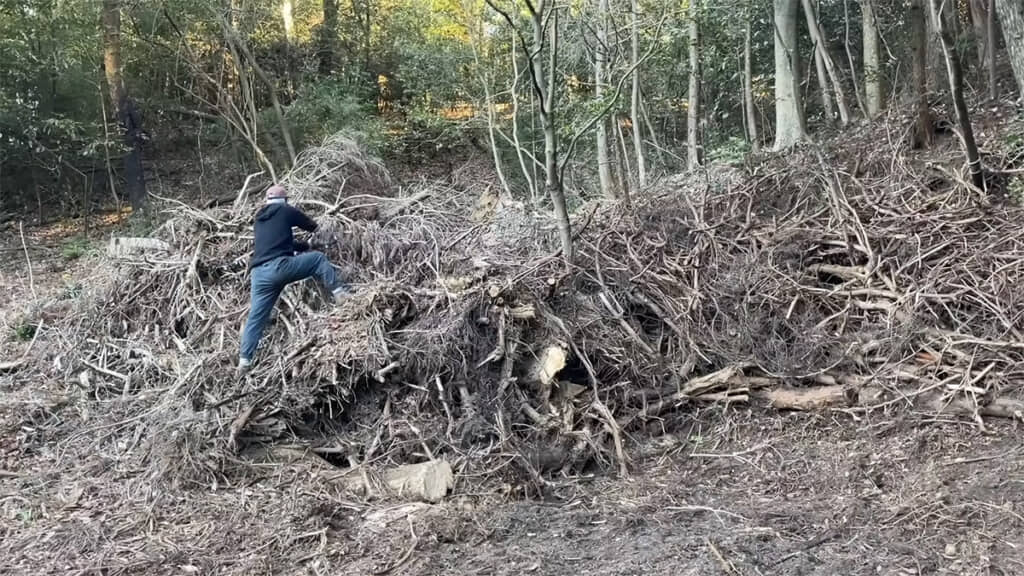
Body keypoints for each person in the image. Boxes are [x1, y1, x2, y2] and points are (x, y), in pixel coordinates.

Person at [238, 184, 347, 375]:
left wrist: (304, 246)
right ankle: (341, 295)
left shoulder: (259, 219)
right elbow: (312, 226)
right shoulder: (285, 210)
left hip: (258, 274)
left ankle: (245, 361)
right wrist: (318, 237)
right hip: (279, 267)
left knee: (255, 318)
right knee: (318, 259)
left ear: (267, 200)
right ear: (285, 199)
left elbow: (280, 243)